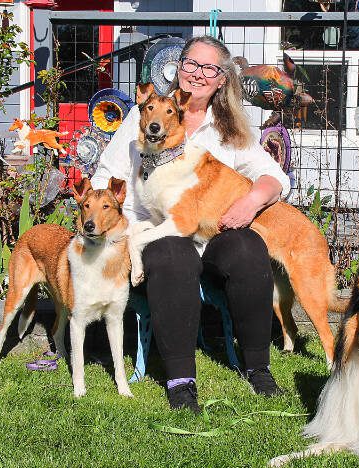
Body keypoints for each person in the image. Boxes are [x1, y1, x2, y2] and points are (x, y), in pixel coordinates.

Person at [91, 35, 291, 413]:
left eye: (209, 68)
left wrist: (250, 200)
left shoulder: (229, 127)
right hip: (152, 228)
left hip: (210, 231)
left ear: (221, 80)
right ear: (177, 67)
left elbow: (273, 177)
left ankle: (258, 368)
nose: (197, 74)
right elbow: (107, 174)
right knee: (172, 252)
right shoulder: (146, 114)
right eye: (190, 64)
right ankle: (181, 381)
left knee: (247, 247)